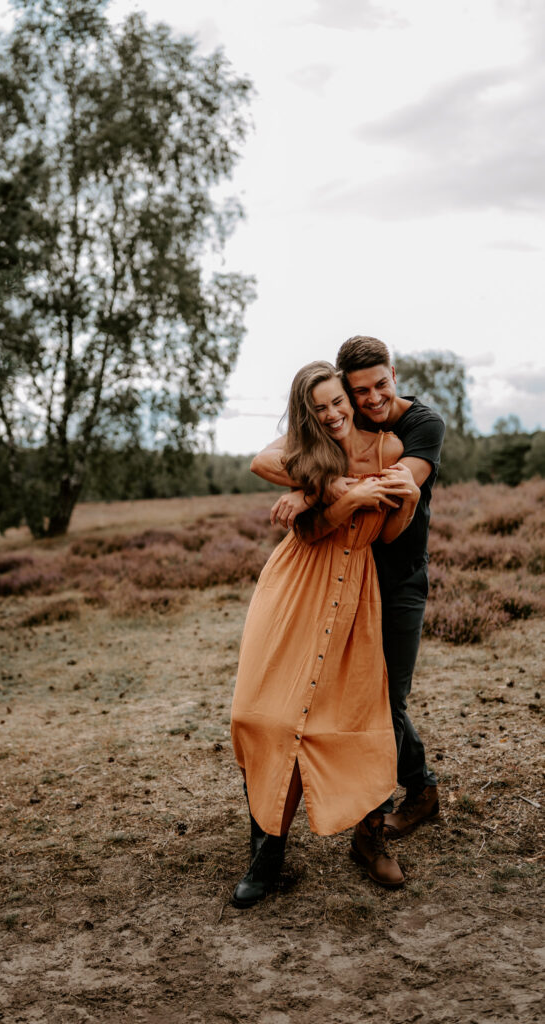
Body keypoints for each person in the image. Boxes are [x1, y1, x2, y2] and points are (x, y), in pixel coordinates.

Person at [230, 360, 420, 908]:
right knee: (256, 712)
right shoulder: (307, 452)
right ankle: (266, 851)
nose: (334, 414)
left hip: (354, 588)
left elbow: (386, 533)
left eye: (339, 401)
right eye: (320, 408)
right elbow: (305, 526)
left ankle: (365, 835)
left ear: (350, 398)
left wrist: (403, 501)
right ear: (307, 413)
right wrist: (337, 493)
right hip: (296, 584)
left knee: (348, 717)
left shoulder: (386, 449)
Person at [252, 336, 445, 846]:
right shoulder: (325, 432)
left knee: (387, 702)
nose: (371, 399)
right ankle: (369, 806)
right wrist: (318, 484)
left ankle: (393, 809)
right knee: (338, 701)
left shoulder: (419, 426)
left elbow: (400, 485)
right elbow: (265, 460)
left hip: (397, 575)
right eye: (357, 392)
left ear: (395, 375)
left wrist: (325, 486)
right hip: (340, 576)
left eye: (379, 385)